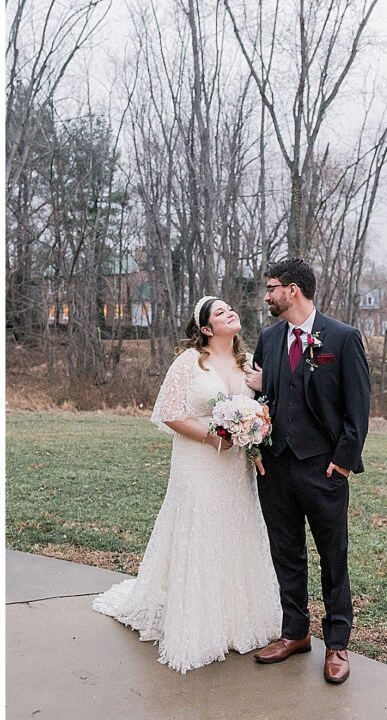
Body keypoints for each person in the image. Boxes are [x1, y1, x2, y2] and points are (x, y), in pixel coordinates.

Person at [93, 298, 281, 673]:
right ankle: (198, 624)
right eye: (219, 312)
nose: (230, 313)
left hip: (234, 470)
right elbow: (170, 414)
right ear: (207, 329)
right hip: (198, 464)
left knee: (233, 533)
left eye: (230, 308)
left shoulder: (248, 365)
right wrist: (215, 437)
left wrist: (253, 434)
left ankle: (232, 620)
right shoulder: (190, 362)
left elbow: (259, 409)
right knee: (200, 533)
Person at [244, 258, 371, 685]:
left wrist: (343, 461)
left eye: (272, 287)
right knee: (286, 552)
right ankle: (295, 633)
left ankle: (337, 644)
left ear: (293, 290)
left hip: (324, 469)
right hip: (276, 467)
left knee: (333, 557)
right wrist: (257, 447)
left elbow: (358, 408)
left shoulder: (342, 338)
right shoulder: (268, 338)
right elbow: (263, 402)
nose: (267, 295)